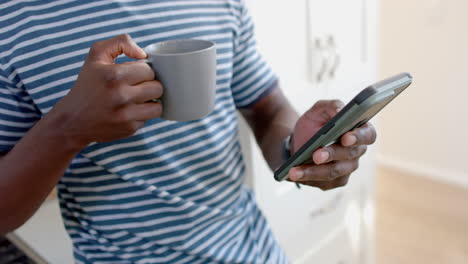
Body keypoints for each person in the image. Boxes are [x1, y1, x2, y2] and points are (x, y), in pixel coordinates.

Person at [0, 1, 376, 263]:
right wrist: (67, 128)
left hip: (257, 250)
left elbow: (267, 107)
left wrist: (300, 146)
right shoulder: (12, 18)